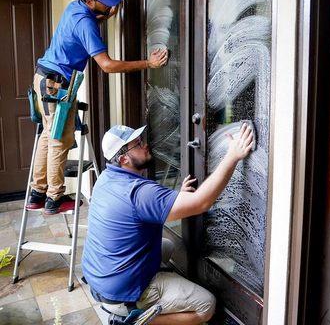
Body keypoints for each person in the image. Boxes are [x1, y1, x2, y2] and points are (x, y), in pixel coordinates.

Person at [82, 122, 254, 324]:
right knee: (206, 305)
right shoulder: (140, 193)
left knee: (168, 245)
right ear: (123, 159)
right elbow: (202, 202)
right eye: (137, 144)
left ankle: (130, 303)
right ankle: (135, 320)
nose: (145, 144)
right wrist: (232, 156)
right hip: (121, 293)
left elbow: (144, 207)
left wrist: (177, 198)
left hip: (100, 281)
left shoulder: (106, 178)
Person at [27, 0, 168, 214]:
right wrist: (149, 64)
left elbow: (91, 21)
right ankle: (54, 199)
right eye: (105, 1)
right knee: (58, 140)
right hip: (57, 85)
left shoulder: (76, 7)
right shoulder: (86, 23)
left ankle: (37, 193)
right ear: (91, 1)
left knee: (47, 137)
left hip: (44, 78)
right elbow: (107, 65)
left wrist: (105, 14)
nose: (109, 5)